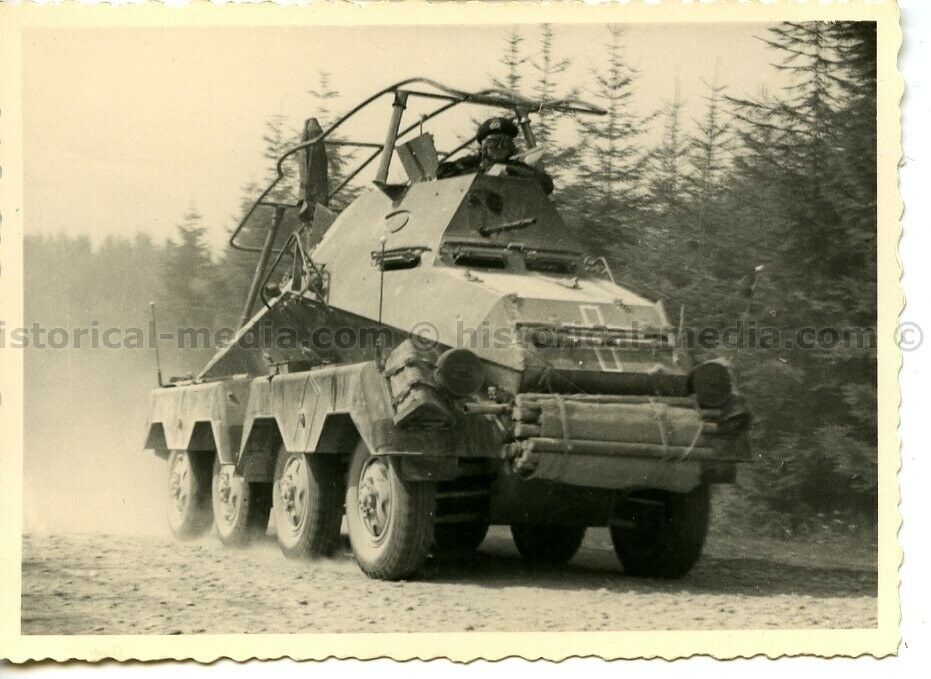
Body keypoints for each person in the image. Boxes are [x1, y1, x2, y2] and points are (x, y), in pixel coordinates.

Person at [435, 116, 554, 194]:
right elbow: (442, 171)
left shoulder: (517, 167)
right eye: (493, 142)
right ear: (483, 146)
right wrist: (484, 172)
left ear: (512, 146)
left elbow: (546, 185)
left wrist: (510, 169)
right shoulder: (473, 161)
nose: (499, 147)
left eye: (505, 142)